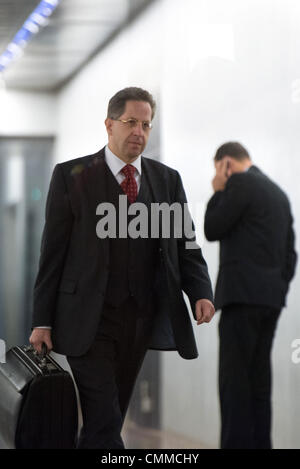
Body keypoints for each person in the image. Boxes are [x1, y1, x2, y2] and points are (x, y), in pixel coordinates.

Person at [29, 87, 215, 449]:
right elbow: (52, 254)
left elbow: (186, 244)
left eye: (146, 124)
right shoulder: (71, 176)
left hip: (139, 321)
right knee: (105, 420)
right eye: (131, 122)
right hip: (87, 320)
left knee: (106, 421)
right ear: (109, 124)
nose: (139, 132)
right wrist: (42, 320)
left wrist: (201, 291)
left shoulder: (167, 180)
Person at [204, 141, 297, 449]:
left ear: (225, 164)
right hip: (269, 303)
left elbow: (213, 227)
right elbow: (291, 254)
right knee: (259, 382)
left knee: (234, 384)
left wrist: (218, 190)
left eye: (218, 169)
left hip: (241, 299)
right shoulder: (278, 193)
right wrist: (278, 291)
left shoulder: (239, 182)